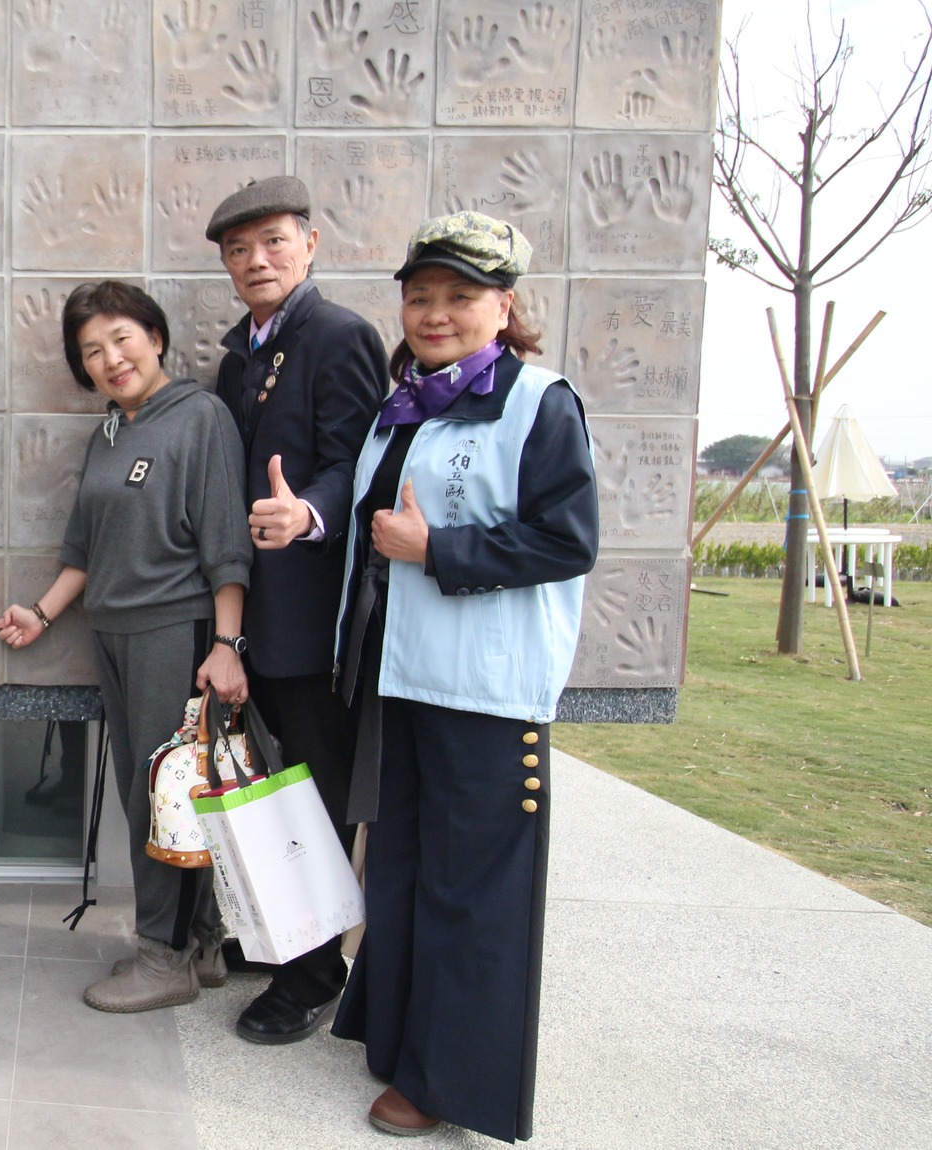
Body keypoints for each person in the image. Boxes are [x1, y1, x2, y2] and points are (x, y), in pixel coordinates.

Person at [326, 212, 597, 1141]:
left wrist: (437, 549)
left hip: (484, 690)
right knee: (402, 867)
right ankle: (399, 1035)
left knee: (471, 889)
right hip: (401, 677)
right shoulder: (406, 404)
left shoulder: (537, 403)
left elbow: (568, 541)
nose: (434, 313)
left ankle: (450, 1082)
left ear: (504, 307)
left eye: (459, 296)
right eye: (419, 296)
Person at [0, 281, 252, 1013]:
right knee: (156, 793)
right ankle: (200, 944)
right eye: (92, 350)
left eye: (122, 338)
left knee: (165, 796)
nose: (111, 358)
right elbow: (85, 549)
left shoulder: (200, 417)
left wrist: (227, 643)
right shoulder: (108, 433)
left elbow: (227, 542)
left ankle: (163, 957)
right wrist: (41, 614)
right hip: (114, 634)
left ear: (156, 338)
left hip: (174, 632)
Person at [204, 176, 388, 1043]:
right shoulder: (239, 354)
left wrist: (308, 511)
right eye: (239, 250)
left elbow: (360, 462)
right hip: (256, 622)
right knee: (274, 790)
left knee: (318, 795)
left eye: (274, 241)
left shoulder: (340, 335)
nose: (257, 260)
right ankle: (289, 934)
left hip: (316, 626)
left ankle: (315, 974)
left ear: (311, 244)